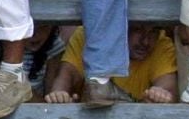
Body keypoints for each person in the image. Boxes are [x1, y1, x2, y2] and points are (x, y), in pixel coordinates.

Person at [44, 23, 178, 104]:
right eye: (138, 30)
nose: (146, 41)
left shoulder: (162, 44)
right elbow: (67, 75)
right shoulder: (89, 35)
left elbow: (168, 90)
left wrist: (160, 94)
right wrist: (59, 95)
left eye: (153, 32)